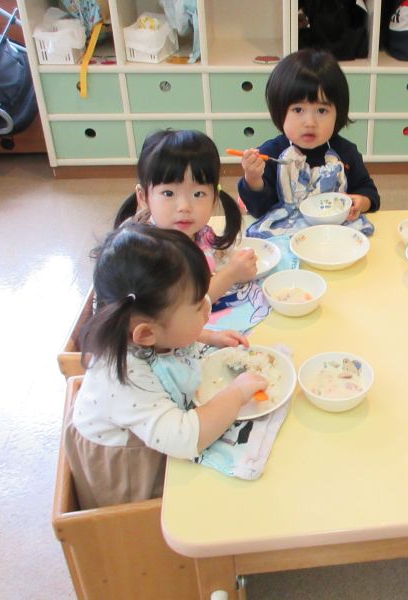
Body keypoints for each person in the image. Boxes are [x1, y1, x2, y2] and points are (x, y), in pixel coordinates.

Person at [64, 224, 268, 509]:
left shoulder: (147, 331)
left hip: (151, 427)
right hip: (129, 466)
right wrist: (237, 393)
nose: (208, 307)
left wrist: (208, 336)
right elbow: (185, 438)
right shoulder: (125, 379)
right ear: (146, 334)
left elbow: (172, 334)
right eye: (197, 307)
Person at [114, 129, 263, 338]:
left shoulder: (198, 232)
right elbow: (182, 308)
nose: (184, 206)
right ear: (143, 197)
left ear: (214, 197)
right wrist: (231, 273)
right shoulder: (144, 252)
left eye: (198, 193)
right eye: (168, 193)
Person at [237, 48, 380, 238]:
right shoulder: (271, 154)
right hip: (286, 238)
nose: (310, 123)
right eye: (298, 110)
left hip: (336, 235)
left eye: (322, 111)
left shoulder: (346, 152)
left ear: (339, 113)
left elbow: (369, 192)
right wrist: (253, 178)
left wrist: (362, 201)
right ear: (279, 111)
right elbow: (259, 209)